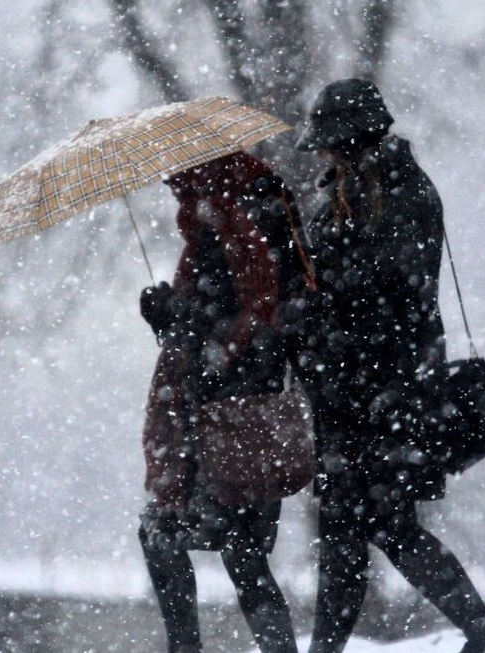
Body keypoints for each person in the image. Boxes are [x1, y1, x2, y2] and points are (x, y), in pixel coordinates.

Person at [291, 79, 485, 653]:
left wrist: (323, 301)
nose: (320, 154)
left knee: (383, 527)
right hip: (349, 397)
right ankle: (482, 631)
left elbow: (398, 295)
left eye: (328, 144)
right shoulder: (347, 197)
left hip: (386, 395)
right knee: (349, 533)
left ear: (349, 141)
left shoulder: (404, 195)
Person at [137, 151, 312, 653]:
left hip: (228, 423)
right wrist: (168, 316)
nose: (173, 190)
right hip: (241, 420)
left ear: (202, 175)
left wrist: (184, 322)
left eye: (179, 180)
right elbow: (230, 318)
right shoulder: (232, 221)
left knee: (170, 536)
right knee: (242, 556)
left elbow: (247, 324)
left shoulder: (234, 225)